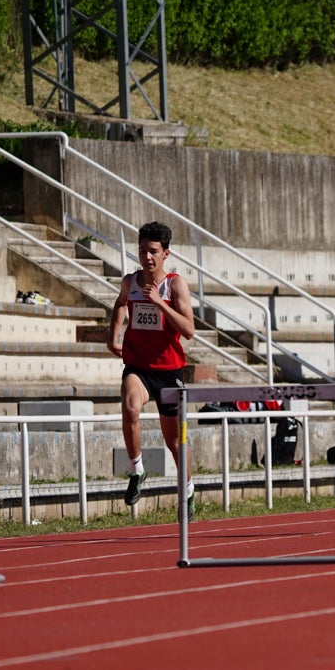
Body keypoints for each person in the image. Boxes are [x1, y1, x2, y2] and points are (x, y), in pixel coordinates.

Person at [107, 221, 197, 520]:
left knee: (174, 442)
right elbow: (121, 304)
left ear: (165, 254)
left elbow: (189, 330)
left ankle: (188, 489)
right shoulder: (130, 282)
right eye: (143, 251)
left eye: (153, 252)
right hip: (138, 367)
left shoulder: (175, 285)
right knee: (130, 408)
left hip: (169, 371)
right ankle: (137, 471)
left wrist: (160, 303)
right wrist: (113, 336)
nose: (147, 257)